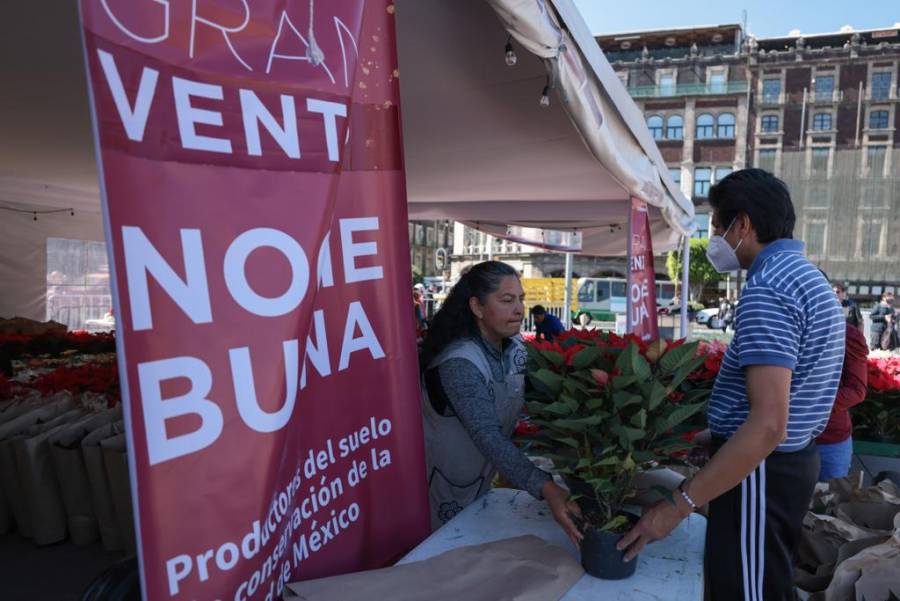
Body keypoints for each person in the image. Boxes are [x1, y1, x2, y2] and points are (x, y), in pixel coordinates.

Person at [618, 169, 845, 601]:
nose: (716, 238)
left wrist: (677, 506)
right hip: (781, 466)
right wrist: (716, 436)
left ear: (744, 225)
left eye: (719, 227)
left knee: (745, 591)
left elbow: (767, 426)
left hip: (761, 471)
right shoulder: (807, 278)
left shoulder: (769, 289)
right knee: (765, 581)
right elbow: (788, 401)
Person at [419, 261, 582, 544]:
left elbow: (542, 396)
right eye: (507, 300)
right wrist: (546, 486)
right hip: (442, 486)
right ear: (477, 307)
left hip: (483, 479)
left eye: (521, 299)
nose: (519, 309)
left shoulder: (516, 346)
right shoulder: (459, 362)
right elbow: (488, 436)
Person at [816, 283, 868, 481]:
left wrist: (807, 410)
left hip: (828, 439)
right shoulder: (782, 329)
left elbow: (856, 390)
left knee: (827, 506)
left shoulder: (847, 334)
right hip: (778, 439)